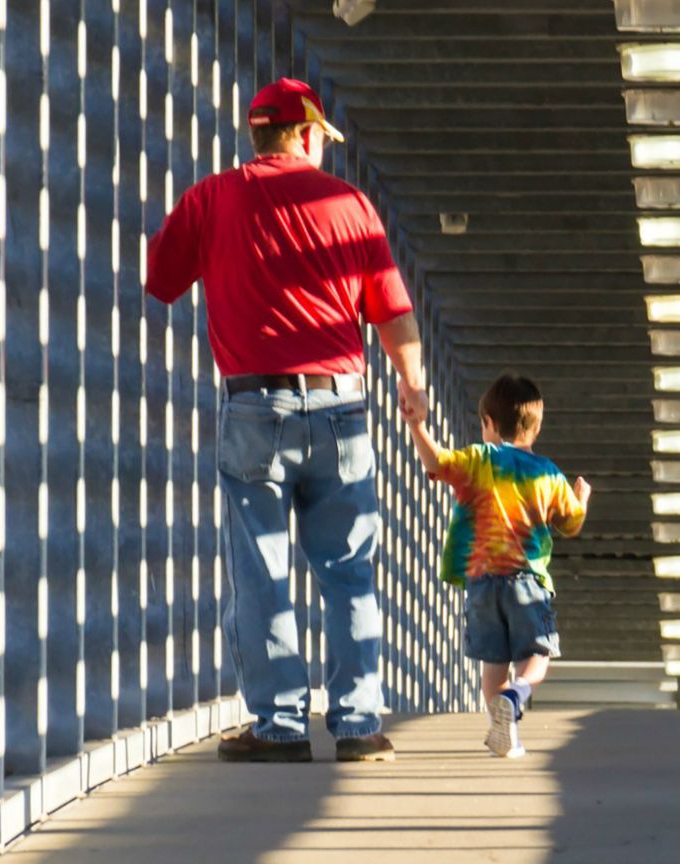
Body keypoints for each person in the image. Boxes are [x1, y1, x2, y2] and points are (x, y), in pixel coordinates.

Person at [145, 78, 428, 763]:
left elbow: (160, 279)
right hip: (341, 410)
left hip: (254, 409)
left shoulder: (212, 198)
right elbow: (392, 311)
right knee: (349, 571)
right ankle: (358, 726)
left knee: (262, 574)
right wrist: (413, 384)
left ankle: (279, 728)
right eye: (321, 139)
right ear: (305, 135)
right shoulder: (349, 204)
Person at [406, 373, 590, 758]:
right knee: (537, 657)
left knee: (493, 665)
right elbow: (571, 523)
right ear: (535, 428)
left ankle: (505, 734)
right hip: (527, 581)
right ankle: (517, 694)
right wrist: (581, 500)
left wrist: (417, 426)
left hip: (482, 584)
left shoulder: (478, 459)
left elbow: (436, 462)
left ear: (488, 423)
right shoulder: (547, 473)